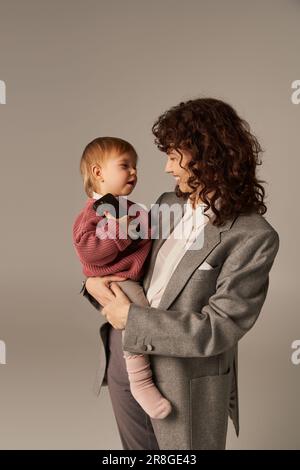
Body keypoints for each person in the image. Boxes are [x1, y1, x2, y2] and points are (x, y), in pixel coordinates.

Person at [81, 98, 280, 450]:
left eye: (174, 156)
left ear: (208, 156)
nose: (166, 168)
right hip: (122, 355)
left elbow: (219, 328)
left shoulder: (254, 236)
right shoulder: (166, 205)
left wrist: (132, 318)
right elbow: (123, 261)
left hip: (184, 380)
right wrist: (92, 284)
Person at [72, 136, 172, 421]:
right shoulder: (93, 212)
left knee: (143, 312)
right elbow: (88, 251)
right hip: (118, 280)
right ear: (98, 173)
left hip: (133, 277)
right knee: (137, 314)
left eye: (135, 167)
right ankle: (140, 381)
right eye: (125, 166)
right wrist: (122, 232)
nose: (134, 173)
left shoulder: (127, 208)